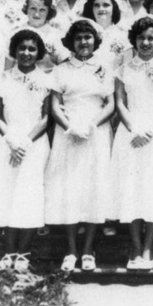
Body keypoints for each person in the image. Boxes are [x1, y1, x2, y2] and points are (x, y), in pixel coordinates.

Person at [0, 29, 52, 272]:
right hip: (7, 144)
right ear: (14, 51)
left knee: (28, 197)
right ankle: (9, 251)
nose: (26, 53)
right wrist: (11, 140)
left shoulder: (47, 79)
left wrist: (25, 141)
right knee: (7, 195)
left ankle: (24, 252)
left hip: (34, 144)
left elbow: (47, 117)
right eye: (22, 48)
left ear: (38, 53)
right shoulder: (1, 79)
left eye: (32, 49)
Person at [44, 19, 116, 272]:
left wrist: (91, 125)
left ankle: (88, 249)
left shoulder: (105, 68)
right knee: (70, 190)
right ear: (71, 42)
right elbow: (54, 106)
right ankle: (71, 249)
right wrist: (71, 127)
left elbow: (110, 103)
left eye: (88, 37)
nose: (84, 42)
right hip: (69, 133)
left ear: (95, 40)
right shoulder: (61, 70)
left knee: (94, 188)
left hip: (95, 132)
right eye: (78, 38)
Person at [110, 16, 153, 270]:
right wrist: (133, 129)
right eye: (141, 38)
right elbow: (119, 103)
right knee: (132, 189)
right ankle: (135, 245)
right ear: (134, 40)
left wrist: (149, 130)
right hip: (130, 134)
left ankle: (149, 245)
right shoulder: (123, 69)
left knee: (152, 190)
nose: (146, 42)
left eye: (150, 38)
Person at [11, 0, 69, 73]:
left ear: (49, 11)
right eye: (33, 8)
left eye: (42, 10)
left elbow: (65, 66)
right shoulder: (15, 32)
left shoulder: (57, 35)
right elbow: (8, 66)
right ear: (26, 9)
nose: (37, 14)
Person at [81, 0, 130, 70]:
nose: (101, 9)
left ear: (113, 7)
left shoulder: (124, 36)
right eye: (96, 5)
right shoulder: (83, 34)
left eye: (106, 5)